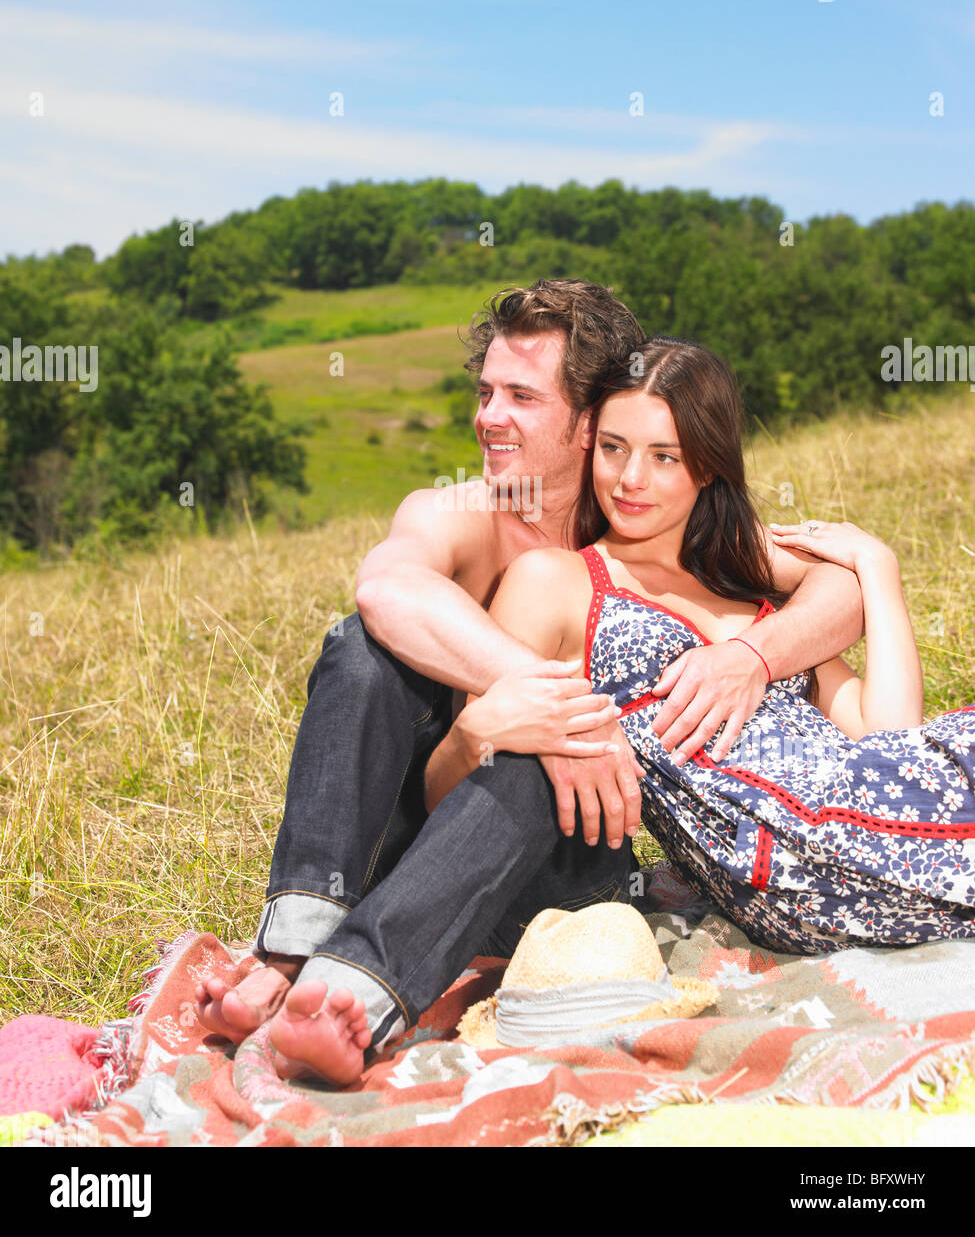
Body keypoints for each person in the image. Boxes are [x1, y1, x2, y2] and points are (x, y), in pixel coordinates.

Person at [195, 292, 865, 1083]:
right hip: (416, 838)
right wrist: (548, 700)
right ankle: (290, 955)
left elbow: (836, 585)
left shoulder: (637, 511)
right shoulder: (468, 512)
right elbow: (385, 588)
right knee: (359, 648)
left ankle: (351, 992)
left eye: (520, 396)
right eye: (484, 393)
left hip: (555, 867)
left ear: (587, 424)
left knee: (537, 756)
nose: (488, 417)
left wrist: (753, 654)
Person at [428, 335, 975, 963]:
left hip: (881, 811)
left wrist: (881, 566)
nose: (631, 479)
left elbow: (893, 736)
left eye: (665, 456)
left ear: (708, 465)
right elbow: (461, 794)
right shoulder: (557, 582)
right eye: (614, 449)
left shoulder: (754, 596)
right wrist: (471, 739)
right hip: (793, 859)